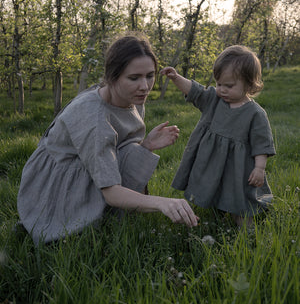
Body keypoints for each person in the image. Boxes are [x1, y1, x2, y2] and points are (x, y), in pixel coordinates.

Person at [17, 33, 199, 245]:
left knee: (135, 151)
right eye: (134, 78)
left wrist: (146, 145)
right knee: (80, 236)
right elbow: (111, 193)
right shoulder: (93, 119)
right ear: (112, 77)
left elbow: (119, 144)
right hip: (61, 180)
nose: (145, 86)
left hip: (94, 162)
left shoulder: (131, 96)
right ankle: (77, 216)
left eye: (150, 75)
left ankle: (115, 215)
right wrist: (162, 203)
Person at [161, 45, 275, 227]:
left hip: (239, 167)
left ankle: (245, 224)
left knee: (239, 196)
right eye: (219, 83)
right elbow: (194, 90)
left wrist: (259, 168)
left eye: (228, 86)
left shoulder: (255, 113)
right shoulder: (214, 99)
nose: (222, 89)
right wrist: (176, 78)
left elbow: (261, 143)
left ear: (249, 84)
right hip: (211, 161)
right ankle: (217, 212)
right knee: (214, 186)